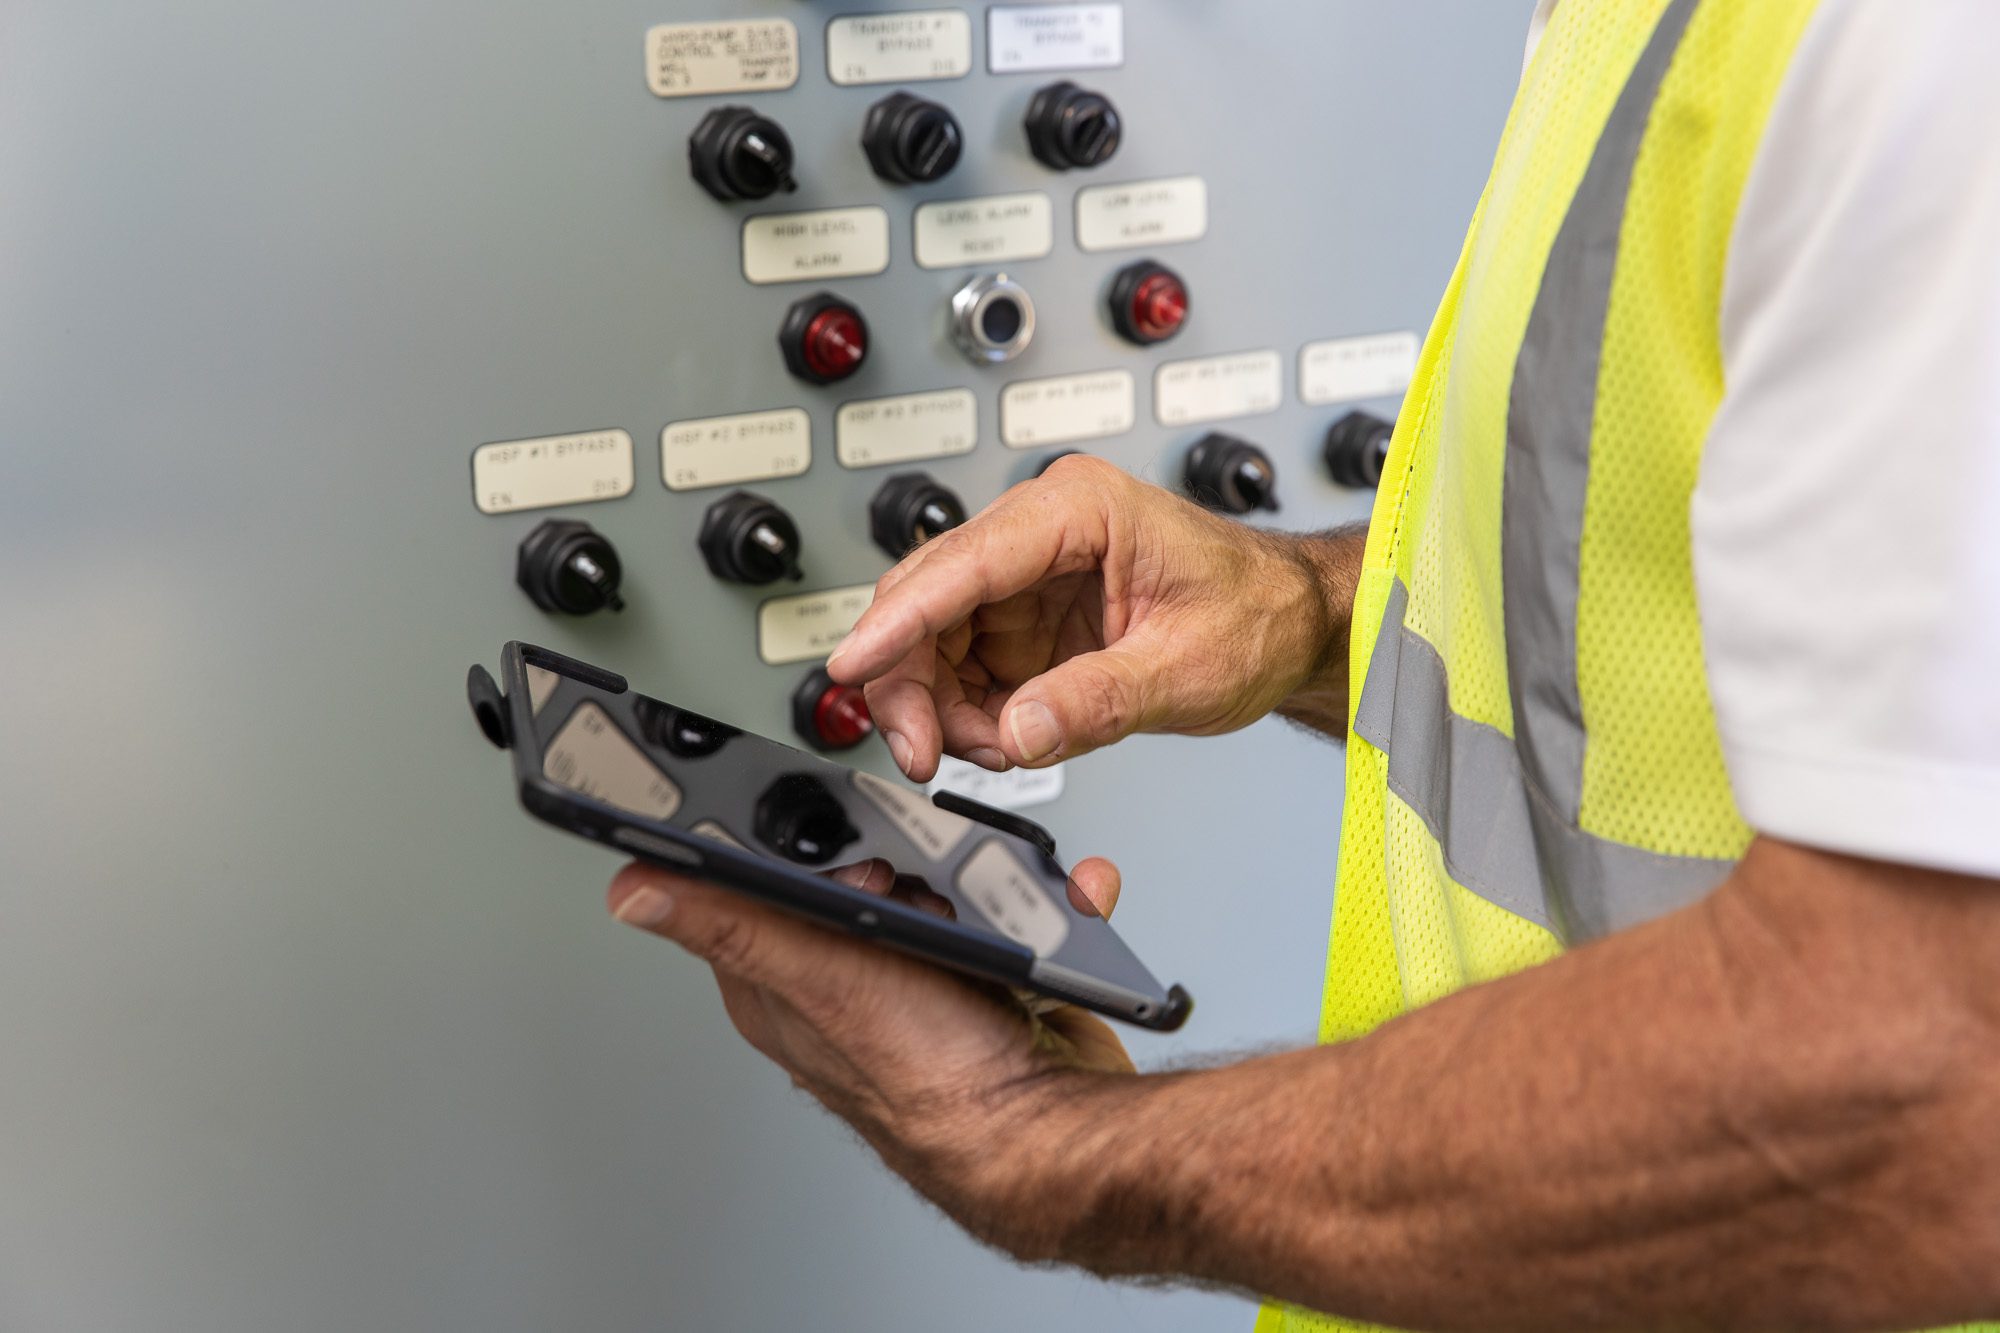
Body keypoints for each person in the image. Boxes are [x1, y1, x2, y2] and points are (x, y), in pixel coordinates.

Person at [604, 0, 2000, 1327]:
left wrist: (1043, 1146)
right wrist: (1301, 616)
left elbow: (1932, 1076)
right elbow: (1648, 646)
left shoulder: (1918, 58)